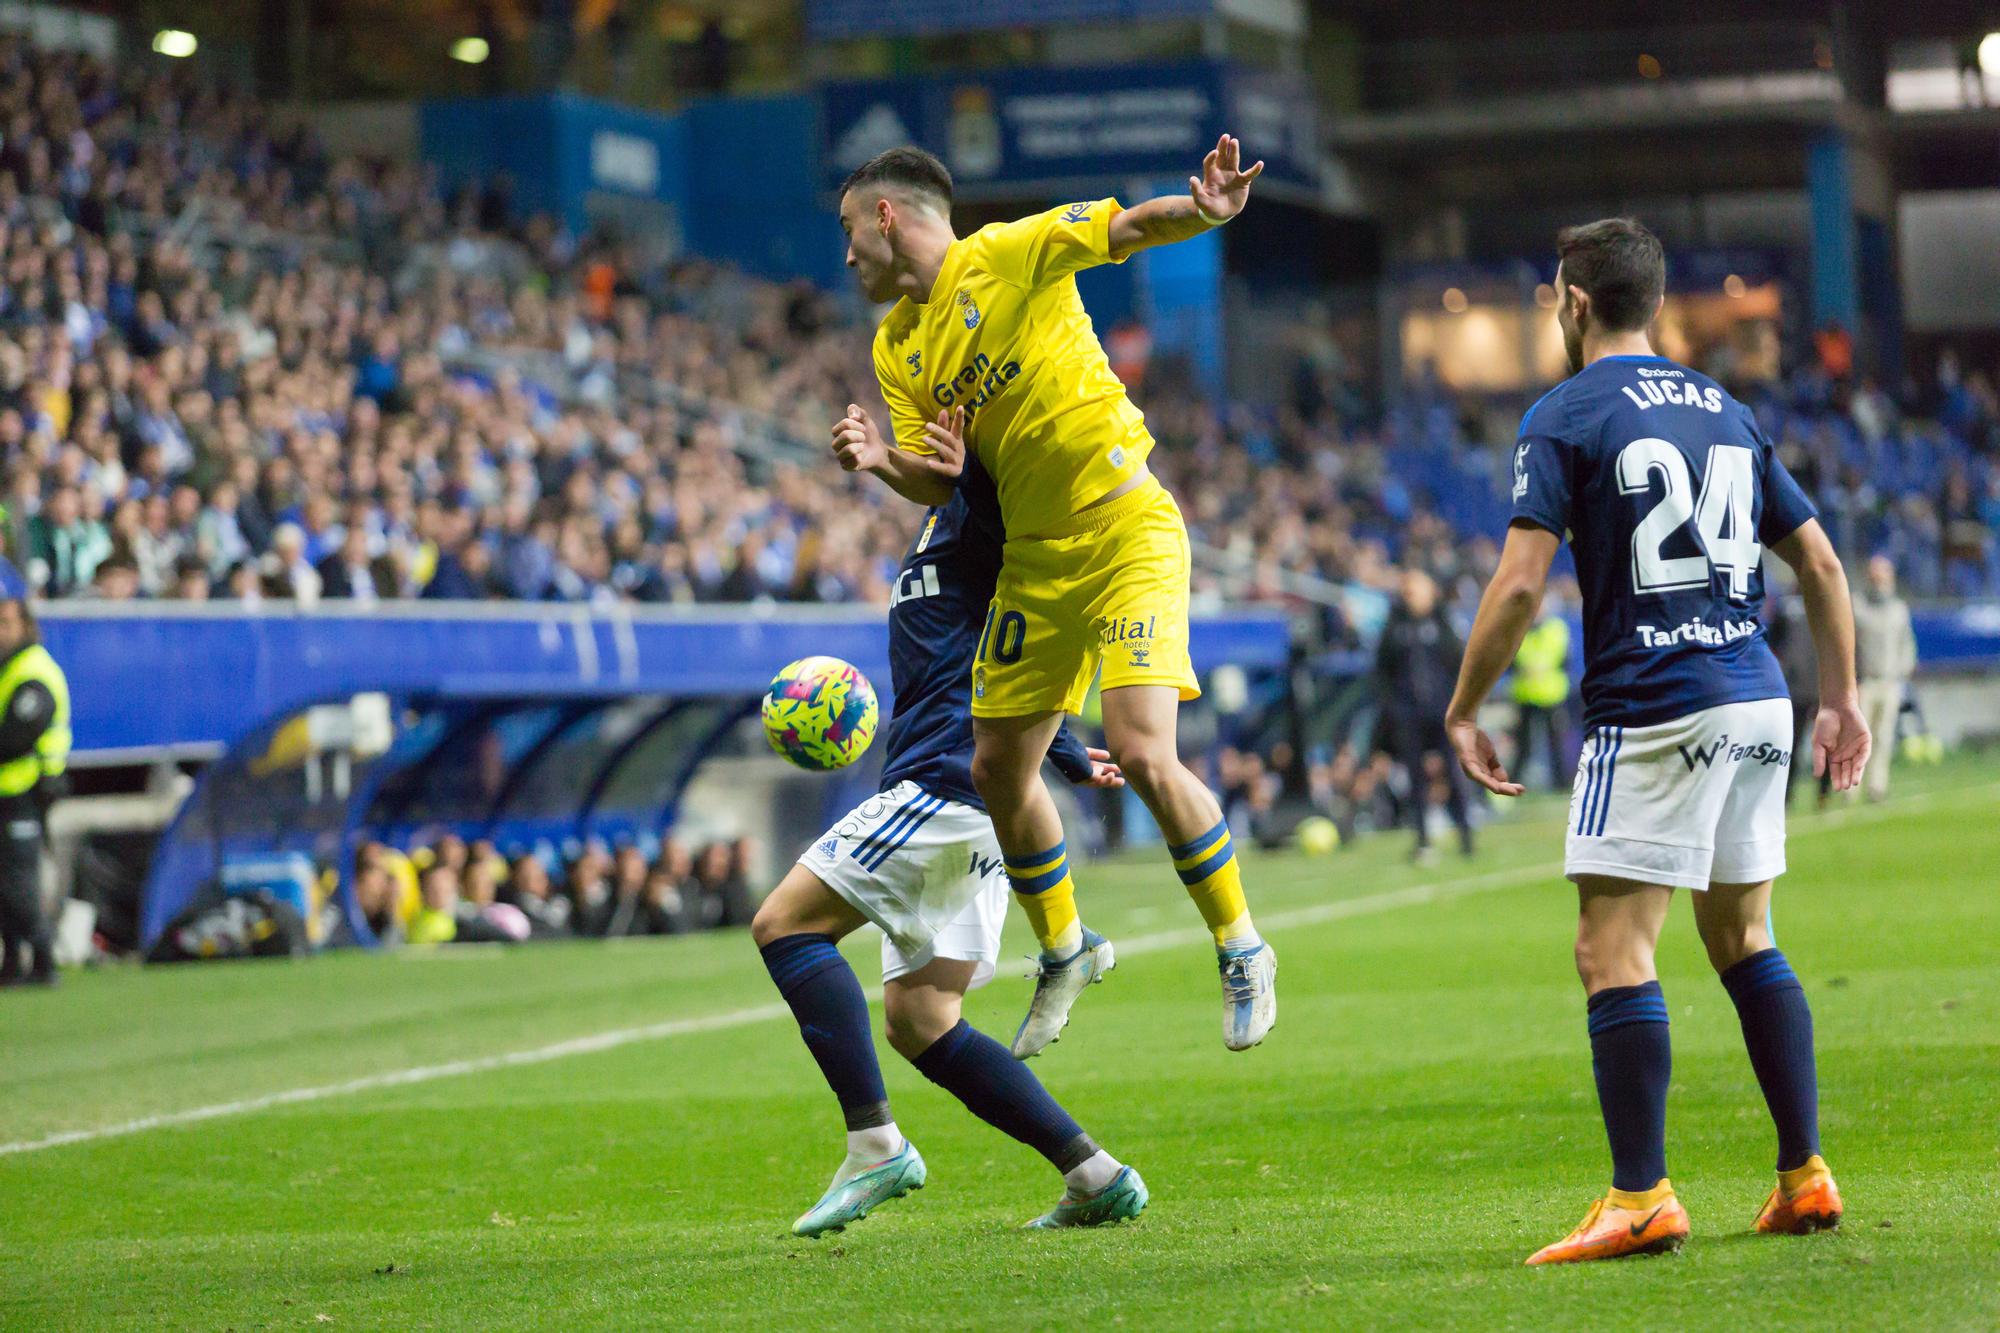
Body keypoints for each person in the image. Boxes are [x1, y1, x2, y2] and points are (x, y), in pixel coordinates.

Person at [1443, 218, 1871, 1265]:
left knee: (1610, 950)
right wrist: (1842, 697)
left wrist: (1462, 706)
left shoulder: (1563, 413)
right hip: (1755, 693)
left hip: (1656, 701)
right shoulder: (1724, 409)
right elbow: (1815, 561)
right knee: (1744, 939)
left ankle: (1638, 1195)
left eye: (1553, 296)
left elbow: (1514, 583)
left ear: (1574, 303)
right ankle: (1802, 1174)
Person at [831, 139, 1275, 1056]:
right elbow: (935, 479)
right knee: (998, 767)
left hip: (1124, 527)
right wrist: (887, 462)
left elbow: (1125, 228)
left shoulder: (1004, 253)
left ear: (886, 215)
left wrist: (1206, 211)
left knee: (1148, 751)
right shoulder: (895, 346)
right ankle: (1068, 947)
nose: (845, 257)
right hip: (1034, 563)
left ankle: (1241, 945)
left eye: (848, 231)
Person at [751, 456, 1145, 1236]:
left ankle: (875, 1144)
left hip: (944, 784)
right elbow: (990, 653)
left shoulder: (984, 512)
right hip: (969, 798)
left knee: (785, 925)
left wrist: (966, 464)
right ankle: (1093, 1174)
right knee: (921, 1017)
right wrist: (1063, 746)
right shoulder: (939, 528)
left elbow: (1036, 629)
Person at [1371, 568, 1474, 862]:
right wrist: (1393, 708)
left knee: (1454, 773)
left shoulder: (1443, 623)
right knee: (1415, 779)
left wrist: (1459, 706)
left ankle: (1466, 834)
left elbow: (1458, 664)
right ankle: (1422, 838)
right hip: (1408, 714)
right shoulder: (1395, 627)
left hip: (1442, 712)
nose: (1411, 595)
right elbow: (1382, 671)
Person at [0, 560, 70, 987]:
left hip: (27, 790)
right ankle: (12, 961)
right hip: (6, 791)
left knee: (19, 883)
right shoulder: (8, 670)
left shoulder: (35, 671)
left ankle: (44, 957)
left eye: (6, 622)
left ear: (25, 625)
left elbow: (14, 738)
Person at [1851, 555, 1915, 802]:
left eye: (1883, 575)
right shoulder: (1858, 605)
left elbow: (1906, 643)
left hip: (1889, 681)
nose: (1879, 580)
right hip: (1863, 681)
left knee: (1884, 737)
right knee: (1858, 736)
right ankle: (1851, 786)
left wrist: (1903, 671)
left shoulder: (1899, 609)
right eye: (1875, 575)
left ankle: (1877, 786)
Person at [1510, 595, 1574, 787]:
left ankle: (1561, 783)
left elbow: (1562, 656)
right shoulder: (1519, 628)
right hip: (1526, 694)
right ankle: (1513, 783)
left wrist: (1537, 666)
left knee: (1556, 744)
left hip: (1551, 694)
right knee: (1524, 745)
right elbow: (1513, 659)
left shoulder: (1555, 628)